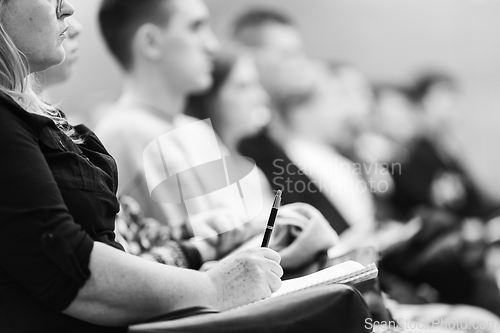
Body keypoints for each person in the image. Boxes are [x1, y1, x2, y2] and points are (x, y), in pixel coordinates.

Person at [0, 0, 284, 331]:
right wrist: (217, 286)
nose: (68, 12)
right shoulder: (127, 130)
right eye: (195, 27)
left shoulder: (41, 120)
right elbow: (68, 263)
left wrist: (270, 246)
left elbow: (145, 245)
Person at [95, 0, 338, 271]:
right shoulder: (126, 133)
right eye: (196, 27)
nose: (212, 45)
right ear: (151, 42)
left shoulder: (196, 130)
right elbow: (201, 261)